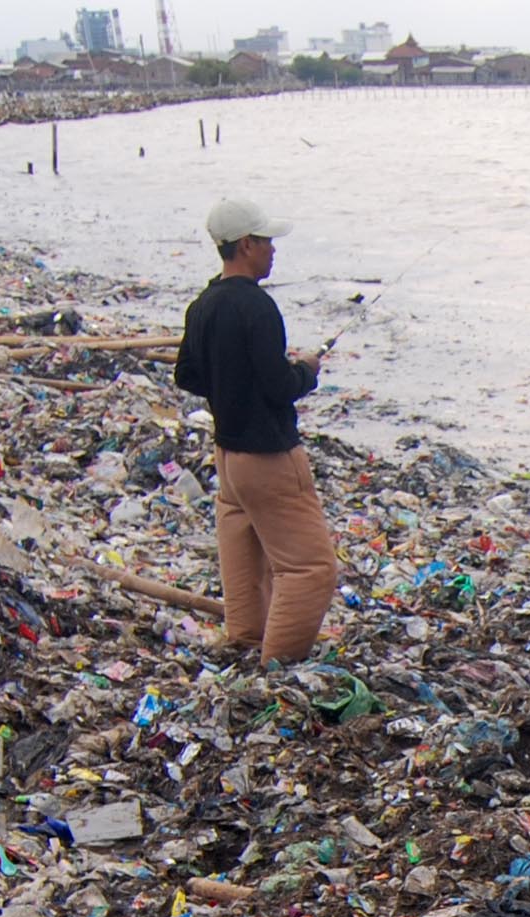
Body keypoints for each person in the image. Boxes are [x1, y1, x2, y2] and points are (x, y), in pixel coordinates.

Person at [174, 199, 337, 663]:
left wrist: (230, 386)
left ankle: (245, 640)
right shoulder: (258, 308)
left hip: (228, 457)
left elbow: (186, 373)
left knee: (243, 555)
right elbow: (278, 387)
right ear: (246, 245)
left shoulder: (204, 304)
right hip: (268, 456)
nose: (272, 251)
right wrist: (306, 371)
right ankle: (277, 666)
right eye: (266, 242)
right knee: (310, 568)